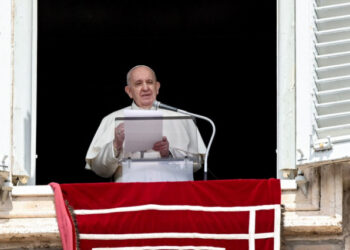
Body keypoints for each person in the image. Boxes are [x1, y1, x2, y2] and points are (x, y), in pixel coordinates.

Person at [85, 65, 206, 182]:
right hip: (131, 197)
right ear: (129, 91)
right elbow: (100, 170)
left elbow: (197, 164)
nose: (145, 88)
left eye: (149, 82)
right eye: (138, 84)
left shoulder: (182, 118)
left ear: (157, 87)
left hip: (173, 196)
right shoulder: (112, 119)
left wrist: (168, 153)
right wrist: (116, 144)